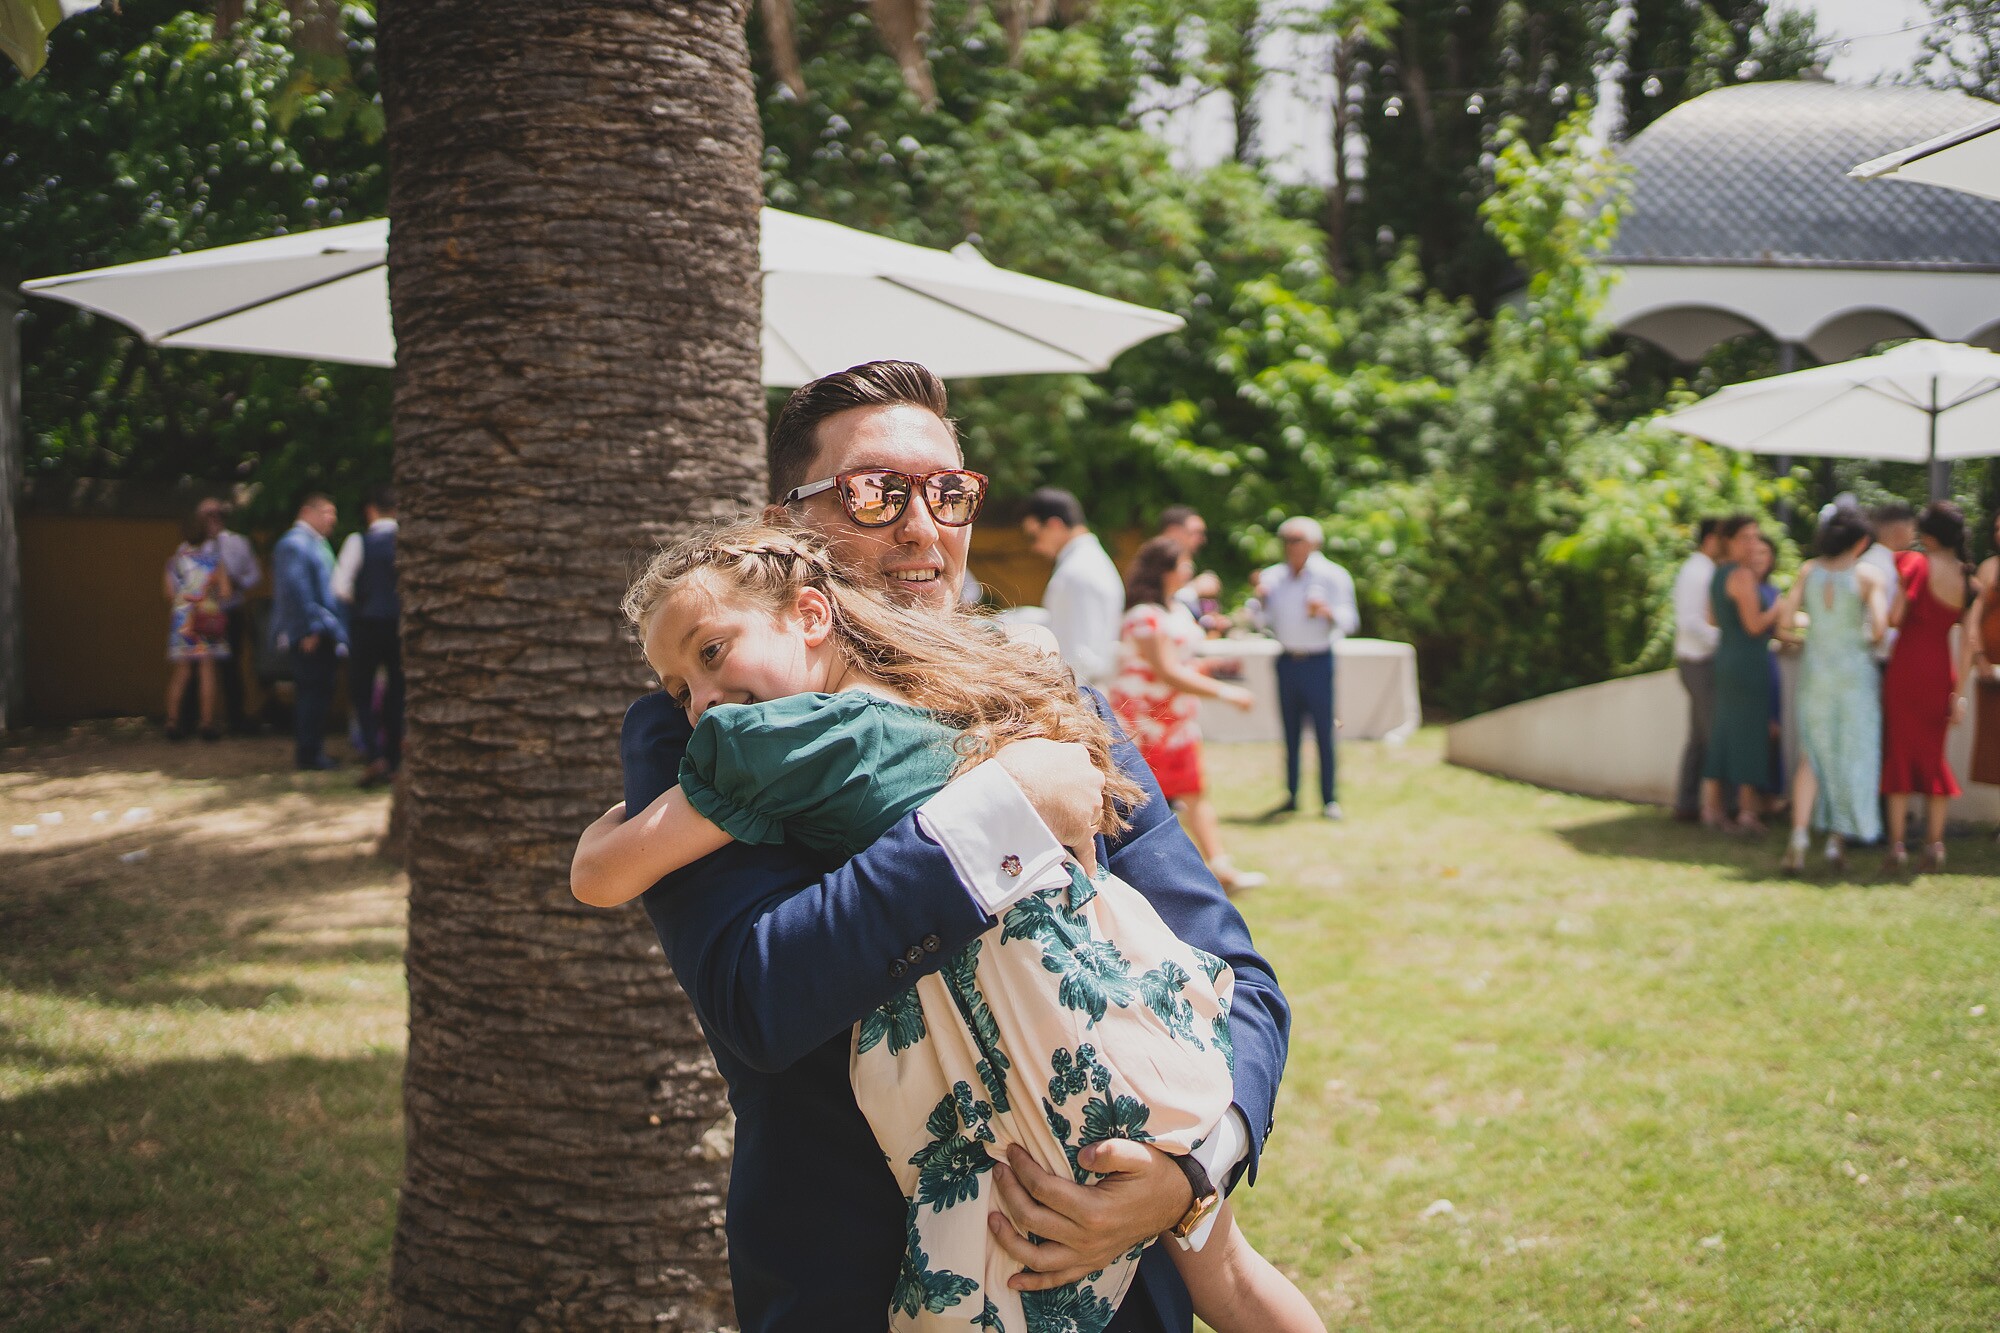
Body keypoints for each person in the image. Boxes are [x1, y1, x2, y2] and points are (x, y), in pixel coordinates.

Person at [616, 362, 1290, 1333]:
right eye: (872, 491)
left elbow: (1232, 969)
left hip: (1133, 1289)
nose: (920, 525)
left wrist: (1191, 1169)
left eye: (948, 492)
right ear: (784, 525)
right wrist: (1004, 814)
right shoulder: (717, 727)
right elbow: (757, 997)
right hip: (859, 1283)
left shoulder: (1052, 696)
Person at [1111, 537, 1264, 894]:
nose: (1190, 569)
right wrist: (1225, 692)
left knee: (1194, 792)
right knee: (1140, 802)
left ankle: (1221, 868)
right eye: (1183, 563)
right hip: (1144, 723)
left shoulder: (1176, 610)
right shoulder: (1143, 616)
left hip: (1175, 720)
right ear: (1164, 569)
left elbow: (1179, 664)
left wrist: (1207, 668)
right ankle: (1134, 878)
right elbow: (1166, 671)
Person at [1774, 508, 1888, 874]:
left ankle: (1799, 837)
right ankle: (1837, 842)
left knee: (1812, 754)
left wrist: (1812, 634)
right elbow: (1880, 629)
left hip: (1816, 672)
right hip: (1854, 675)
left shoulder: (1809, 570)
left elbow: (1784, 623)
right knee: (1849, 753)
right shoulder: (1867, 576)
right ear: (1861, 542)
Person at [1880, 501, 1980, 873]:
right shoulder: (1969, 580)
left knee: (1899, 754)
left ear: (1929, 535)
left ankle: (1897, 846)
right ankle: (1935, 845)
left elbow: (1895, 617)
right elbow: (1969, 642)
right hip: (1940, 673)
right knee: (1933, 758)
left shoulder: (1915, 565)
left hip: (1907, 668)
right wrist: (1959, 693)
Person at [1251, 516, 1357, 820]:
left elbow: (1350, 620)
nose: (1290, 546)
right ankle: (1292, 794)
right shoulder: (1274, 577)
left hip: (1318, 660)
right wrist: (1260, 601)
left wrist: (1327, 612)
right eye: (1286, 540)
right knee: (1290, 730)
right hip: (1287, 659)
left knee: (1325, 729)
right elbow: (1261, 621)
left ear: (1314, 542)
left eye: (1297, 540)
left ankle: (1329, 798)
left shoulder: (1332, 575)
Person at [1700, 515, 1781, 832]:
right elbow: (1754, 625)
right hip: (1748, 661)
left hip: (1727, 657)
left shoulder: (1719, 574)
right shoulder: (1743, 575)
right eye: (1746, 537)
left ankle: (1712, 808)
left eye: (1755, 537)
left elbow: (1712, 618)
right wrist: (1779, 607)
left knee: (1723, 732)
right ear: (1729, 541)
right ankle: (1747, 811)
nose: (1753, 544)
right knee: (1750, 732)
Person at [270, 492, 347, 771]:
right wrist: (308, 629)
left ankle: (314, 750)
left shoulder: (315, 543)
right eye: (326, 513)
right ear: (307, 512)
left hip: (323, 630)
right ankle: (308, 754)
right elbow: (296, 589)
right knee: (311, 691)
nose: (331, 520)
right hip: (309, 632)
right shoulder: (294, 544)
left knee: (320, 690)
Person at [333, 485, 403, 787]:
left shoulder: (358, 541)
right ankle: (395, 759)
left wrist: (361, 600)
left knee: (362, 691)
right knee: (398, 691)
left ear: (370, 511)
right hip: (400, 625)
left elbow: (340, 586)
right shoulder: (407, 540)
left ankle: (374, 755)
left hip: (367, 623)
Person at [1023, 487, 1126, 689]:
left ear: (1054, 525)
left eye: (1033, 536)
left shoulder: (1078, 570)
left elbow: (1080, 655)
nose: (1035, 547)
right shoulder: (1090, 562)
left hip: (1079, 692)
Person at [176, 497, 261, 734]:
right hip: (198, 615)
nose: (213, 519)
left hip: (230, 611)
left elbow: (255, 575)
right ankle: (187, 721)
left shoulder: (238, 542)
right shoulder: (187, 547)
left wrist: (238, 582)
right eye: (207, 515)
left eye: (217, 514)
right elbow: (178, 579)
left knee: (231, 667)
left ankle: (236, 719)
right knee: (193, 668)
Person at [163, 506, 233, 742]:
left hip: (183, 620)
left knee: (182, 671)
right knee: (206, 668)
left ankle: (172, 721)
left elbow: (169, 593)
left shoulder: (174, 562)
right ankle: (206, 722)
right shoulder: (214, 562)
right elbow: (226, 592)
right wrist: (209, 596)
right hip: (206, 618)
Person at [1671, 519, 1725, 822]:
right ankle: (1715, 806)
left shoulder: (1703, 570)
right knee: (1713, 734)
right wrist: (1726, 639)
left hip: (1698, 660)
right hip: (1698, 662)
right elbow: (1689, 622)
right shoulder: (1697, 572)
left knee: (1699, 738)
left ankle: (1687, 803)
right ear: (1711, 539)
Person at [1748, 532, 1786, 800]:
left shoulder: (1773, 590)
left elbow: (1780, 631)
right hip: (1749, 665)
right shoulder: (1743, 587)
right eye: (1755, 553)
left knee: (1773, 729)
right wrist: (1777, 610)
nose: (1759, 558)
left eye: (1764, 553)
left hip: (1769, 663)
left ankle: (1769, 796)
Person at [1859, 499, 1916, 665]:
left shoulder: (1862, 560)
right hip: (1881, 655)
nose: (1914, 536)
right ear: (1900, 530)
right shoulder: (1891, 566)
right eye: (1912, 529)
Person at [1970, 507, 2000, 816]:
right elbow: (1973, 620)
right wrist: (1979, 657)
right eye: (1997, 528)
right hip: (1992, 671)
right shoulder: (1989, 568)